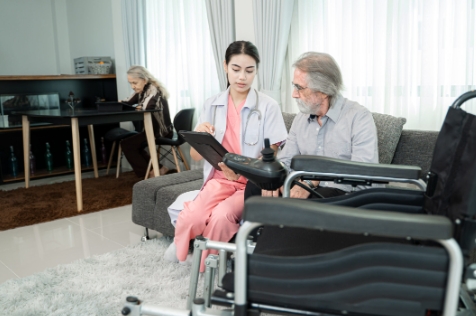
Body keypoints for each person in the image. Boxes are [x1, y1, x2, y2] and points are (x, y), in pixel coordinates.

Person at [164, 41, 288, 271]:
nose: (242, 77)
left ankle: (206, 265)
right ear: (225, 66)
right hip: (218, 180)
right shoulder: (211, 104)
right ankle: (182, 251)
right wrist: (200, 133)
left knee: (222, 216)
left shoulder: (268, 106)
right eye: (236, 69)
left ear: (256, 70)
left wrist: (241, 168)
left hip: (250, 183)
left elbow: (274, 159)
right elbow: (196, 155)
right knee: (193, 215)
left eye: (249, 71)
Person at [244, 51, 379, 256]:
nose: (293, 94)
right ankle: (259, 252)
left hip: (342, 194)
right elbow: (287, 160)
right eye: (294, 86)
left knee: (317, 200)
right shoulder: (301, 119)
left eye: (299, 87)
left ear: (323, 91)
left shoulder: (358, 118)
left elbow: (362, 175)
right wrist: (278, 179)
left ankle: (283, 258)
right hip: (300, 188)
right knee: (256, 188)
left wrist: (313, 181)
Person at [120, 66, 173, 178]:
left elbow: (148, 106)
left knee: (127, 144)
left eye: (135, 82)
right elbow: (127, 102)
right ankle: (157, 169)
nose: (132, 86)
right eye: (130, 83)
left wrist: (140, 106)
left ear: (144, 79)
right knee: (130, 144)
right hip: (152, 130)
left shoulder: (153, 89)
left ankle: (146, 175)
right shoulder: (142, 89)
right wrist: (116, 104)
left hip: (161, 131)